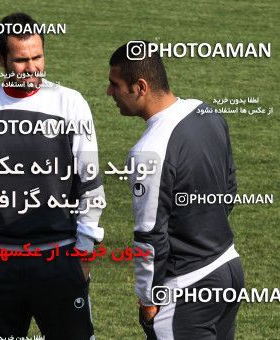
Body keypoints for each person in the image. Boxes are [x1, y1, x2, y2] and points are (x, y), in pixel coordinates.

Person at [0, 12, 105, 340]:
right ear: (0, 60)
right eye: (21, 60)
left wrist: (84, 253)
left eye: (38, 56)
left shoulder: (70, 103)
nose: (33, 67)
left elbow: (89, 180)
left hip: (60, 259)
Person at [107, 42, 245, 339]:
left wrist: (148, 299)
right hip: (228, 269)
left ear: (140, 86)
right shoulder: (206, 112)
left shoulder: (148, 152)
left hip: (186, 290)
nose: (109, 92)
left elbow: (149, 237)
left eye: (115, 84)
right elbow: (229, 189)